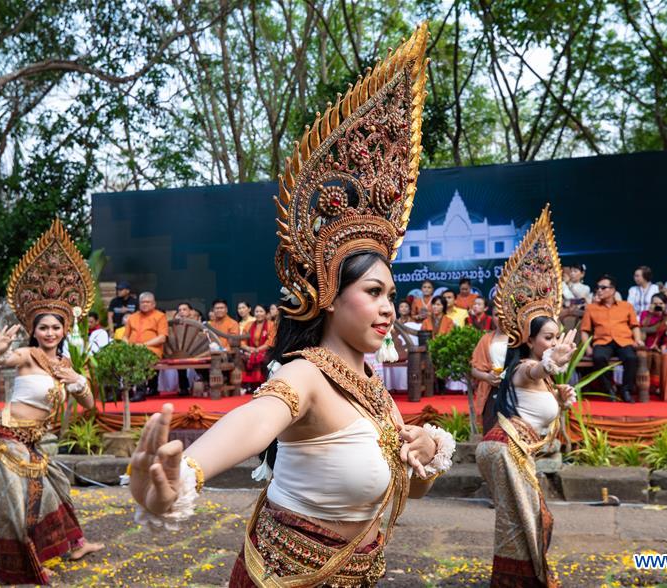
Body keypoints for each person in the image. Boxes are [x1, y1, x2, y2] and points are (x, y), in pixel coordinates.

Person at [128, 26, 455, 586]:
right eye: (373, 292)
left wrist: (424, 451)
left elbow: (405, 487)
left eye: (392, 296)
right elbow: (255, 420)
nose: (388, 308)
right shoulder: (304, 377)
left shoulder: (372, 385)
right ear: (328, 294)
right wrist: (187, 478)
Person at [0, 219, 103, 584]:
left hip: (36, 440)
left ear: (65, 329)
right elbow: (3, 359)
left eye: (55, 327)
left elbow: (90, 406)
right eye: (42, 328)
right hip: (7, 436)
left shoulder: (67, 365)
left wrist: (79, 383)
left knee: (58, 488)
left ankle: (74, 543)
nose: (49, 333)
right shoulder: (28, 356)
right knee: (24, 499)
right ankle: (24, 565)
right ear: (33, 332)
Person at [475, 206, 576, 587]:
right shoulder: (522, 369)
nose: (553, 342)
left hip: (508, 450)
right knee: (527, 523)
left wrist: (561, 399)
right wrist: (550, 363)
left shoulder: (541, 377)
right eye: (547, 337)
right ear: (529, 341)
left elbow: (541, 412)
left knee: (534, 521)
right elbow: (534, 370)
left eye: (555, 336)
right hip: (504, 450)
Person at [581, 274, 644, 403]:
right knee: (598, 357)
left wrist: (637, 340)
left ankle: (626, 390)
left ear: (613, 290)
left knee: (631, 358)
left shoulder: (626, 306)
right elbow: (585, 330)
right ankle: (609, 390)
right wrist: (587, 348)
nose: (599, 290)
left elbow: (635, 326)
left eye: (603, 288)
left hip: (624, 340)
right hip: (602, 342)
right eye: (598, 288)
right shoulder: (591, 308)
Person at [470, 304, 509, 432]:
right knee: (491, 429)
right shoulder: (486, 339)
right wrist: (487, 377)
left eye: (504, 314)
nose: (501, 318)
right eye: (497, 315)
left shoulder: (521, 339)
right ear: (492, 317)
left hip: (515, 390)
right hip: (491, 390)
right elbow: (474, 369)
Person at [125, 292, 168, 402]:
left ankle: (140, 392)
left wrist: (143, 345)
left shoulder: (160, 316)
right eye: (142, 302)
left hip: (151, 350)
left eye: (148, 302)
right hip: (131, 349)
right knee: (115, 357)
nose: (145, 304)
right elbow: (125, 337)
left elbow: (162, 338)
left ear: (154, 304)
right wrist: (126, 346)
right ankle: (118, 391)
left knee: (139, 356)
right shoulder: (132, 317)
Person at [240, 305, 271, 390]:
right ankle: (246, 386)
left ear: (266, 313)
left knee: (263, 359)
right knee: (241, 358)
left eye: (261, 311)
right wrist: (248, 348)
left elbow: (271, 341)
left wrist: (258, 350)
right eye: (257, 312)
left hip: (265, 351)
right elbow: (242, 341)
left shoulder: (271, 324)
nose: (258, 314)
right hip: (250, 351)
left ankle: (263, 384)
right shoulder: (248, 325)